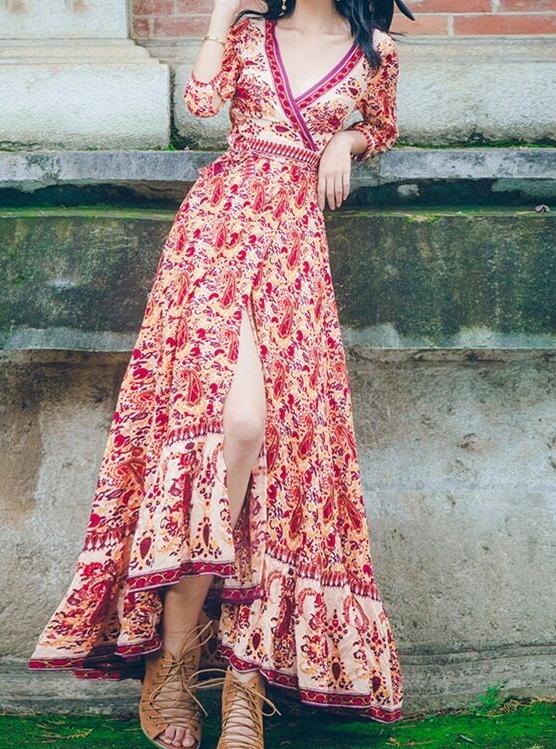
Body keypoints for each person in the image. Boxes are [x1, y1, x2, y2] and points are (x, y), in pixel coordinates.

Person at [28, 0, 412, 746]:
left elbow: (383, 126)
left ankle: (244, 679)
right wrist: (219, 12)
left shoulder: (376, 50)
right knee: (236, 428)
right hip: (217, 233)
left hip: (293, 249)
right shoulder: (247, 32)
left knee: (283, 460)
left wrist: (347, 139)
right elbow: (202, 103)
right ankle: (172, 659)